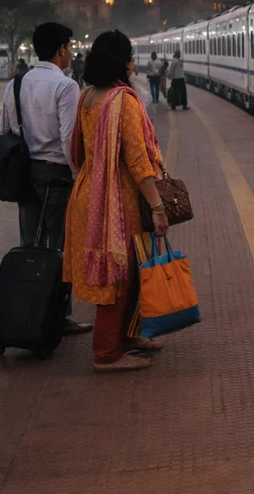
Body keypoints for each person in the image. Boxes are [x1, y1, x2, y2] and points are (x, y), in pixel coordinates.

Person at [65, 30, 169, 372]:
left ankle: (126, 335)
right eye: (130, 56)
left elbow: (76, 151)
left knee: (126, 269)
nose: (134, 62)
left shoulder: (87, 97)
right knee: (117, 273)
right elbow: (138, 162)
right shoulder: (122, 100)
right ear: (122, 61)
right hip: (115, 199)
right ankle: (107, 352)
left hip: (88, 192)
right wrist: (157, 206)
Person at [0, 22, 91, 336]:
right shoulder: (65, 85)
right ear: (62, 49)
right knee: (58, 248)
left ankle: (27, 313)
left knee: (28, 244)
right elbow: (68, 139)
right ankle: (57, 317)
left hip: (26, 176)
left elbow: (4, 133)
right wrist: (79, 175)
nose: (72, 52)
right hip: (57, 177)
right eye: (70, 47)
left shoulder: (16, 83)